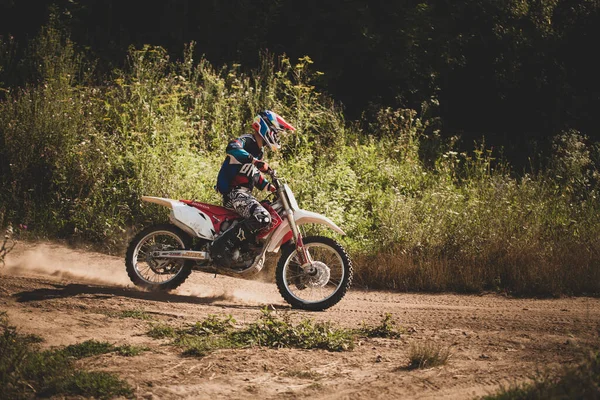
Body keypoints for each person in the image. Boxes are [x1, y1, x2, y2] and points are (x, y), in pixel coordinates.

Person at [211, 110, 296, 268]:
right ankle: (222, 248)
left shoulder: (259, 151)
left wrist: (269, 187)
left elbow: (253, 174)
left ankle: (244, 249)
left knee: (269, 213)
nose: (277, 138)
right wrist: (254, 160)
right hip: (233, 193)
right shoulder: (247, 140)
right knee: (262, 217)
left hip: (244, 194)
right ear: (267, 128)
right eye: (276, 133)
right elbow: (232, 148)